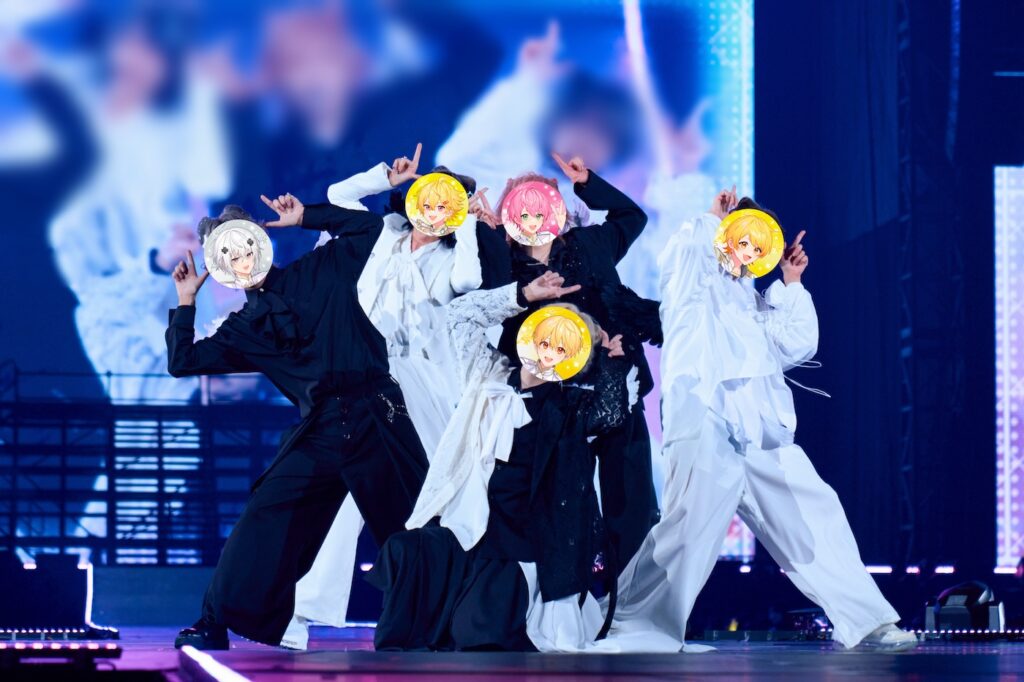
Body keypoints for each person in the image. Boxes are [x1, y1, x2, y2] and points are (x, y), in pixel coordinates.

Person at [602, 190, 918, 652]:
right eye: (742, 238)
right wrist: (712, 217)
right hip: (704, 415)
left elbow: (797, 344)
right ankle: (629, 623)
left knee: (814, 512)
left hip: (759, 429)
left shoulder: (751, 303)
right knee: (687, 528)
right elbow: (686, 250)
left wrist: (792, 281)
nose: (747, 250)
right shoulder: (692, 282)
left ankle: (867, 622)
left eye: (758, 244)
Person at [167, 204, 428, 650]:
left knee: (407, 524)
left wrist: (306, 216)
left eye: (242, 246)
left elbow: (368, 227)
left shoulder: (322, 267)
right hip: (321, 429)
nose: (239, 260)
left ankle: (431, 625)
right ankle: (215, 621)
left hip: (377, 415)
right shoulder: (246, 328)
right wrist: (187, 300)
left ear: (259, 242)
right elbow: (183, 361)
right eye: (225, 255)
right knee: (262, 518)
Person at [259, 144, 489, 647]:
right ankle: (301, 612)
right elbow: (338, 196)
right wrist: (387, 177)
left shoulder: (450, 259)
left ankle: (447, 611)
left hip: (420, 388)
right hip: (362, 377)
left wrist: (472, 222)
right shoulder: (382, 233)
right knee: (341, 498)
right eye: (428, 197)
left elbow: (469, 280)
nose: (434, 210)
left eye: (447, 204)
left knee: (433, 501)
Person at [369, 272, 631, 652]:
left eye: (564, 348)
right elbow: (460, 315)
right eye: (546, 339)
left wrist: (610, 364)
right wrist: (523, 294)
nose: (549, 352)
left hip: (518, 540)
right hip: (467, 524)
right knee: (405, 550)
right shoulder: (485, 375)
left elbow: (610, 417)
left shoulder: (570, 408)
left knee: (477, 635)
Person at [494, 154, 659, 581]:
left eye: (542, 203)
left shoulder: (589, 245)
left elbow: (632, 217)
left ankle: (631, 600)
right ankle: (577, 603)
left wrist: (587, 183)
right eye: (522, 206)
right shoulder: (504, 268)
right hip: (556, 405)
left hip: (616, 388)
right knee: (568, 510)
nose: (534, 216)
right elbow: (493, 327)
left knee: (633, 505)